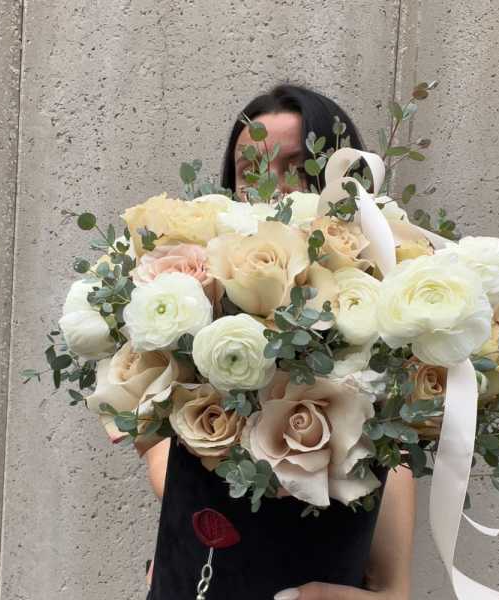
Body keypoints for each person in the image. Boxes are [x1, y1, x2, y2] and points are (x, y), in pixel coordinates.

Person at [141, 83, 416, 600]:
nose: (273, 189)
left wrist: (388, 589)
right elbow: (163, 451)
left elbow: (391, 444)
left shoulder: (376, 302)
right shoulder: (195, 299)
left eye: (296, 167)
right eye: (251, 171)